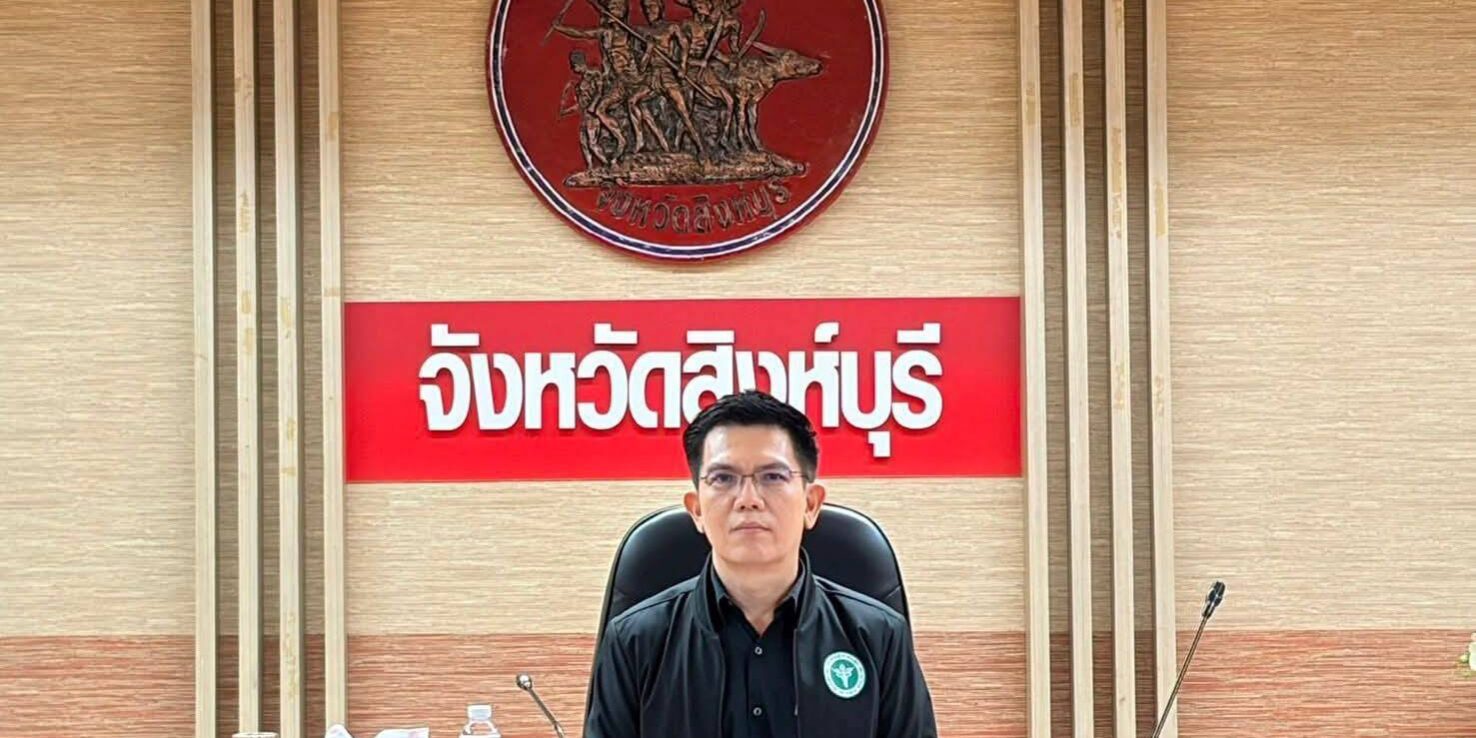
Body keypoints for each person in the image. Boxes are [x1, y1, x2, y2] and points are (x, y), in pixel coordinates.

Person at [584, 390, 938, 738]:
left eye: (773, 477)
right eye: (723, 478)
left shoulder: (880, 637)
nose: (748, 499)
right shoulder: (634, 642)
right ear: (697, 509)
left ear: (811, 504)